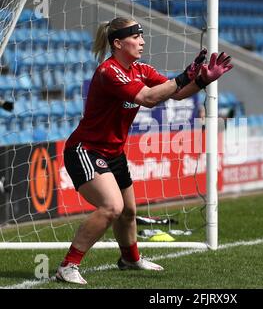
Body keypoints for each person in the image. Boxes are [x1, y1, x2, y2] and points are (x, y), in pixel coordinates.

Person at [55, 17, 233, 285]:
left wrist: (201, 80)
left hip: (113, 153)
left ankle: (130, 258)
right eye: (136, 37)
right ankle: (68, 265)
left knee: (128, 211)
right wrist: (185, 75)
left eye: (142, 36)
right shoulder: (109, 71)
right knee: (111, 207)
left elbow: (176, 93)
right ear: (117, 43)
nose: (142, 41)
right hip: (86, 150)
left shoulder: (140, 69)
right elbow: (148, 99)